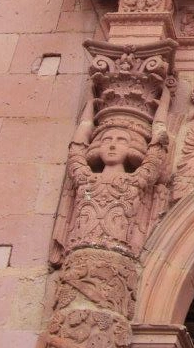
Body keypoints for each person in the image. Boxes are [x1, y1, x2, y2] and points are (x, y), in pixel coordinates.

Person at [64, 84, 171, 256]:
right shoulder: (85, 179)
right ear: (98, 146)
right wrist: (90, 107)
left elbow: (157, 150)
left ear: (132, 148)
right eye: (106, 140)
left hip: (116, 258)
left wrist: (164, 106)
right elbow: (76, 149)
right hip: (79, 255)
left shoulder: (134, 182)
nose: (112, 145)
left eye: (121, 140)